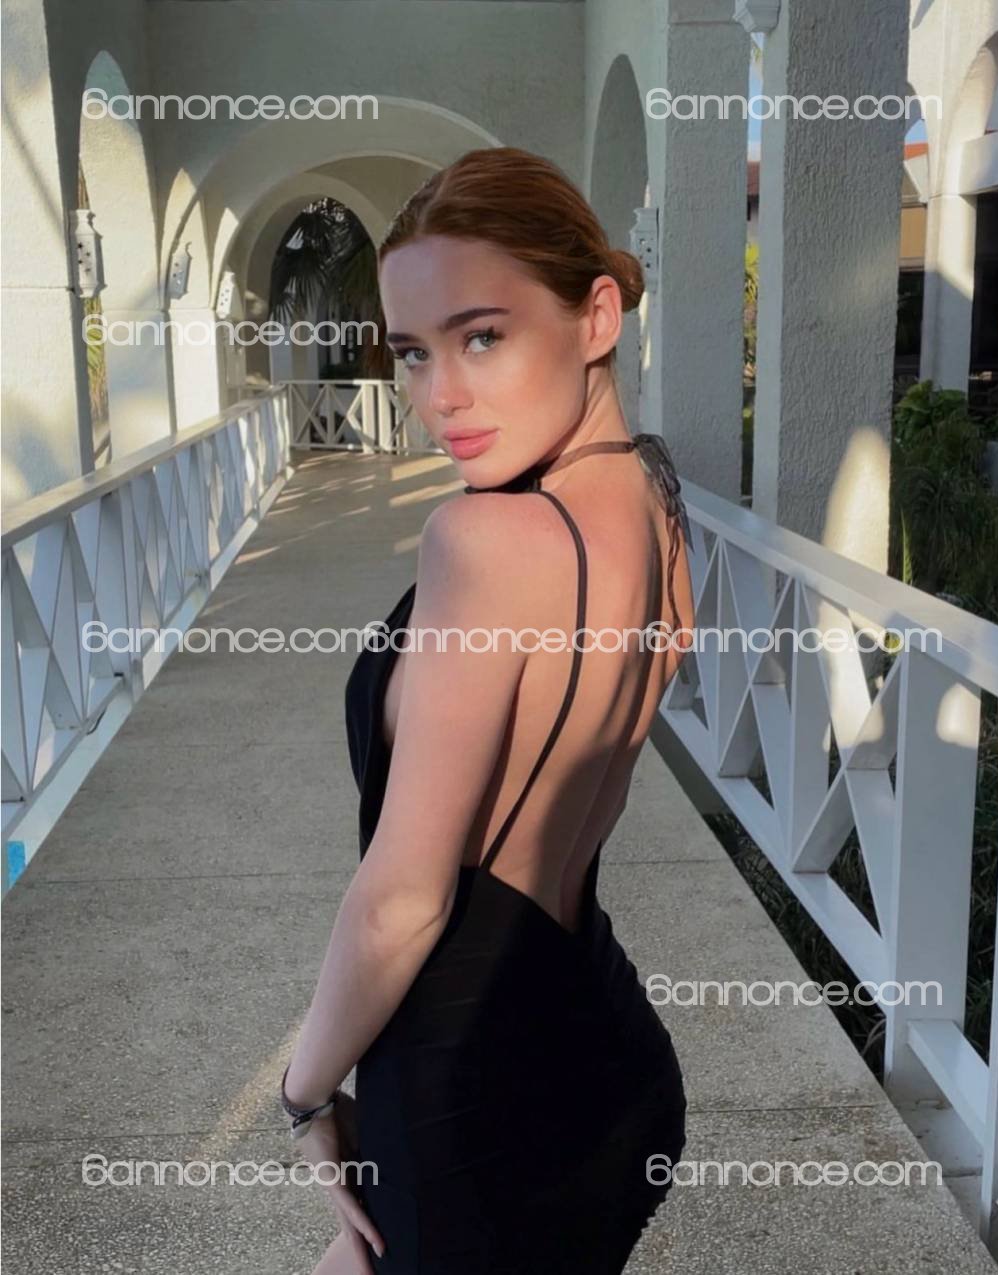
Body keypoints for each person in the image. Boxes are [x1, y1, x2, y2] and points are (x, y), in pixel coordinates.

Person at [281, 146, 696, 1275]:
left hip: (470, 1099)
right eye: (414, 352)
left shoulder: (484, 540)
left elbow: (403, 901)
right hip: (611, 1062)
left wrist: (303, 1093)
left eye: (482, 337)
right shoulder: (656, 500)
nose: (440, 399)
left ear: (596, 316)